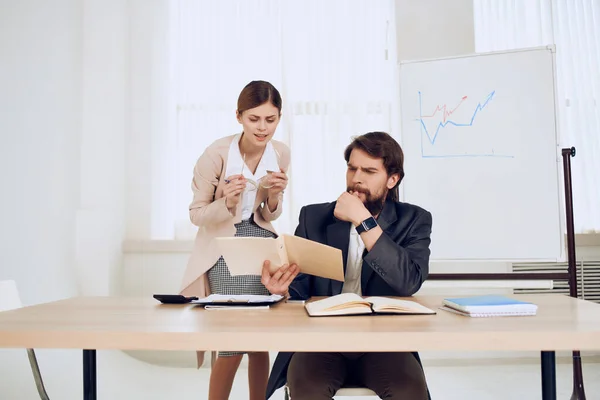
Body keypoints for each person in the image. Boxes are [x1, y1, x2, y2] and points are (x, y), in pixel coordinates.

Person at [261, 131, 433, 400]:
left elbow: (408, 280)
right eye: (352, 168)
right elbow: (300, 287)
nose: (356, 178)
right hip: (322, 341)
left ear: (392, 179)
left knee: (409, 392)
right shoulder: (314, 216)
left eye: (369, 171)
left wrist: (363, 220)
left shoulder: (414, 220)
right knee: (307, 391)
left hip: (385, 344)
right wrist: (280, 290)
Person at [179, 80, 296, 400]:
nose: (262, 128)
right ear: (239, 116)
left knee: (259, 340)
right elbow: (196, 214)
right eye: (254, 119)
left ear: (279, 117)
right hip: (223, 245)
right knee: (230, 341)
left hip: (260, 243)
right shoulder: (215, 154)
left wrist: (274, 195)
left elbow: (270, 215)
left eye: (270, 120)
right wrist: (226, 203)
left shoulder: (281, 153)